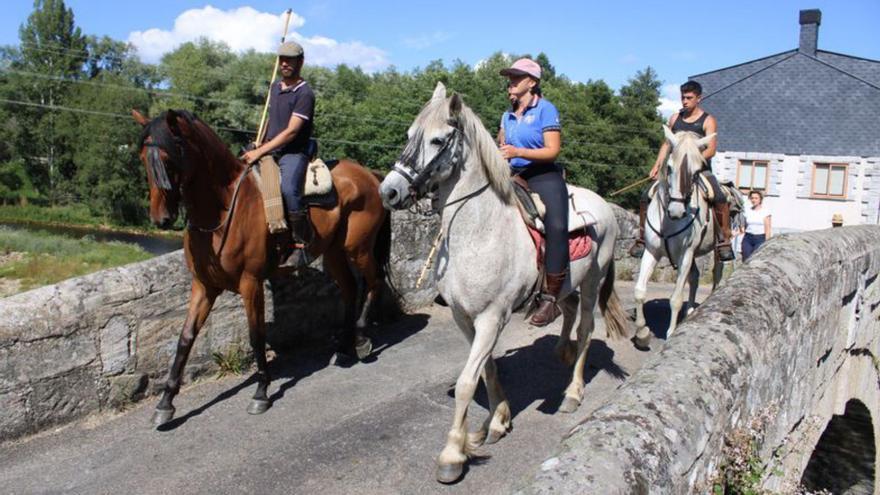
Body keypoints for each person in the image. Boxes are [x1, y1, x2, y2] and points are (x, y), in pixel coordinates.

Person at [628, 80, 735, 261]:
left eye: (689, 98)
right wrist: (657, 164)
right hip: (675, 170)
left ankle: (723, 240)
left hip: (699, 169)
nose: (685, 101)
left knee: (719, 196)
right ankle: (641, 238)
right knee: (646, 194)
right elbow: (667, 144)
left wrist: (692, 161)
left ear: (698, 98)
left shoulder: (708, 120)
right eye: (683, 97)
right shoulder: (674, 118)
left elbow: (711, 149)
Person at [497, 58, 567, 326]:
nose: (511, 82)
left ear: (532, 82)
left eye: (517, 77)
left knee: (557, 225)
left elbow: (552, 150)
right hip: (514, 175)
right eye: (510, 77)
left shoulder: (546, 109)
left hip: (543, 174)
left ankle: (551, 300)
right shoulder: (507, 114)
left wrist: (518, 152)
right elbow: (502, 144)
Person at [241, 41, 316, 268]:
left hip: (294, 152)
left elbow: (292, 131)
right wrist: (259, 142)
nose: (285, 63)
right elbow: (272, 120)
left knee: (288, 190)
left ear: (300, 62)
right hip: (270, 147)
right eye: (282, 59)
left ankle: (301, 244)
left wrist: (262, 151)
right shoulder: (275, 87)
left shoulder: (305, 94)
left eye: (290, 60)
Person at [741, 190, 771, 261]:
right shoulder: (747, 211)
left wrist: (767, 243)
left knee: (755, 259)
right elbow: (743, 227)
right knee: (746, 259)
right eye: (752, 198)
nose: (754, 200)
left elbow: (768, 229)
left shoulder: (765, 212)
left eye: (756, 198)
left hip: (760, 238)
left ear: (760, 199)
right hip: (748, 238)